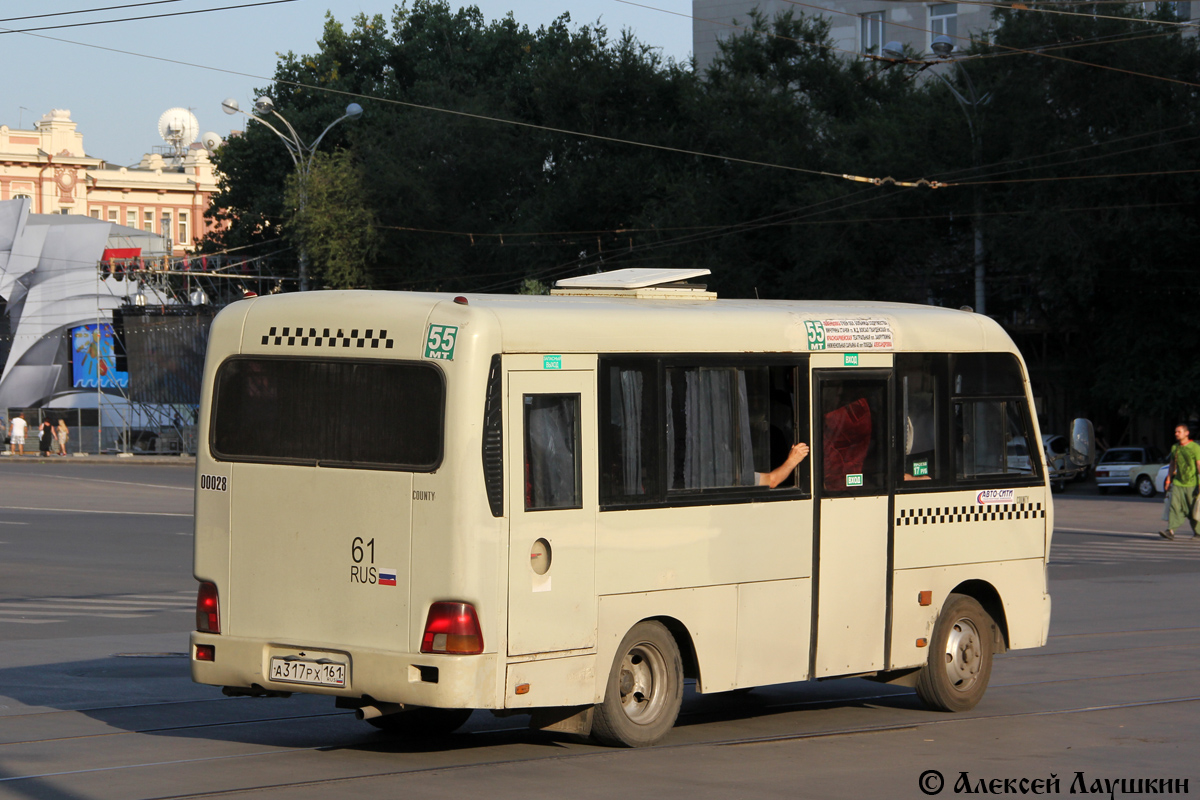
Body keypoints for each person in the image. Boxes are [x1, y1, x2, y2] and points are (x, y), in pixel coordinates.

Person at [1159, 423, 1200, 540]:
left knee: (1193, 509)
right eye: (1175, 432)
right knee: (1174, 506)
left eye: (1179, 432)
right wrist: (1168, 480)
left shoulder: (1195, 447)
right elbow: (1172, 465)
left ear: (1186, 433)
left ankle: (1198, 532)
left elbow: (1199, 465)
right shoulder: (1175, 447)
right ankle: (1170, 531)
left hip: (1192, 483)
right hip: (1178, 482)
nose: (1176, 434)